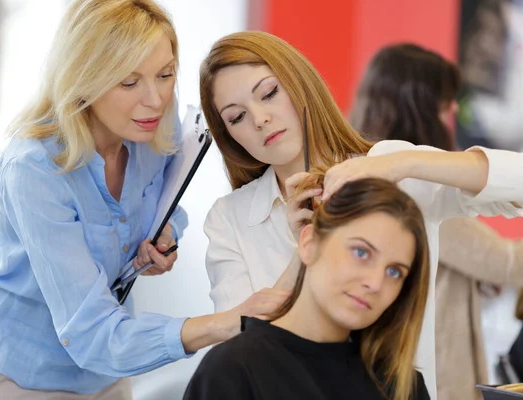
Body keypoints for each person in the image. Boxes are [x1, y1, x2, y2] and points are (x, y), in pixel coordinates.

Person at [0, 3, 289, 399]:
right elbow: (90, 333)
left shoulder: (150, 125)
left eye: (165, 75)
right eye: (129, 82)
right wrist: (225, 322)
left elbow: (166, 205)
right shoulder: (35, 169)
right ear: (84, 80)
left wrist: (163, 235)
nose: (155, 99)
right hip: (19, 366)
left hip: (106, 366)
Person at [199, 30, 523, 399]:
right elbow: (239, 347)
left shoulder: (390, 169)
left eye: (269, 93)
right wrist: (302, 254)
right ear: (229, 136)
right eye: (237, 117)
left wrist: (405, 161)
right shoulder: (229, 218)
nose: (259, 119)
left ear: (299, 83)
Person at [351, 43, 523, 400]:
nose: (454, 108)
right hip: (434, 363)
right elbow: (504, 262)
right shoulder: (412, 185)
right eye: (446, 99)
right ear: (421, 105)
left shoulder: (375, 169)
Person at [185, 177, 431, 400]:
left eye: (394, 272)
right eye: (361, 252)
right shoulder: (234, 370)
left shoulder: (404, 387)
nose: (375, 283)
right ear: (309, 243)